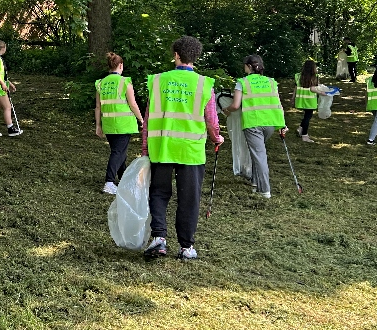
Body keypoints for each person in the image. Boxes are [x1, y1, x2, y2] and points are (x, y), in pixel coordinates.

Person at [141, 36, 224, 260]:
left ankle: (159, 238)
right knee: (189, 198)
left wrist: (145, 147)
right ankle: (186, 247)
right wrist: (217, 138)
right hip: (191, 150)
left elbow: (148, 118)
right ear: (195, 57)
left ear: (176, 55)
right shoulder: (204, 84)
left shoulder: (158, 81)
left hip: (162, 147)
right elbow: (211, 119)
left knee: (158, 193)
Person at [223, 54, 288, 199]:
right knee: (257, 153)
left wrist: (225, 110)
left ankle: (265, 190)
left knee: (259, 156)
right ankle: (255, 183)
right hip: (270, 123)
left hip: (253, 123)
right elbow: (278, 104)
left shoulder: (242, 82)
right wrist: (282, 124)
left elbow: (235, 105)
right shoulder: (271, 82)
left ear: (248, 66)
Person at [95, 52, 144, 195]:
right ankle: (109, 182)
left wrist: (98, 125)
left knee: (119, 152)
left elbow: (98, 106)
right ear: (121, 65)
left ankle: (123, 180)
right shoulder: (125, 82)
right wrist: (141, 120)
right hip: (123, 124)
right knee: (118, 152)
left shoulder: (100, 83)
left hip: (108, 124)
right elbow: (133, 104)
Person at [0, 40, 22, 137]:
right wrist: (2, 84)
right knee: (7, 107)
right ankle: (10, 128)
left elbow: (2, 75)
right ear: (3, 48)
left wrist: (9, 83)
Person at [293, 60, 327, 143]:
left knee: (306, 116)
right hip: (310, 100)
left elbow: (295, 88)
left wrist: (292, 98)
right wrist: (322, 92)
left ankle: (300, 128)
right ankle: (304, 135)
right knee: (308, 117)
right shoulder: (315, 76)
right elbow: (313, 89)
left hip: (300, 100)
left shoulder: (298, 76)